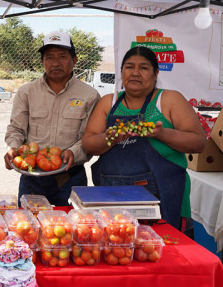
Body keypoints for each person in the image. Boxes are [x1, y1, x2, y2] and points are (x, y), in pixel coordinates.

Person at [82, 46, 206, 231]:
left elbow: (198, 142)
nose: (135, 73)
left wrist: (162, 133)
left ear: (155, 74)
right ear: (122, 72)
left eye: (144, 68)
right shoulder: (109, 102)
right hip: (114, 197)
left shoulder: (169, 99)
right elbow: (89, 144)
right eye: (129, 67)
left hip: (165, 197)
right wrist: (110, 138)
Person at [4, 31, 100, 206]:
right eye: (49, 57)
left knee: (74, 229)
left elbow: (90, 136)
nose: (55, 63)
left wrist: (74, 152)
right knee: (28, 227)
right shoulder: (26, 92)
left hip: (70, 177)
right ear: (43, 62)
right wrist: (14, 148)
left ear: (75, 60)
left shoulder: (89, 95)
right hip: (32, 176)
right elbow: (16, 129)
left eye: (62, 56)